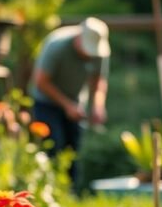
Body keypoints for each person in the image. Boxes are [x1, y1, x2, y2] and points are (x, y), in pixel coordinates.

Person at [30, 17, 110, 158]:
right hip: (46, 102)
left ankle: (72, 180)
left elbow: (98, 80)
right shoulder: (57, 46)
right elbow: (41, 82)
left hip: (76, 103)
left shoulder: (99, 52)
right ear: (78, 38)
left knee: (73, 152)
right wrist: (67, 105)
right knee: (53, 147)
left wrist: (98, 105)